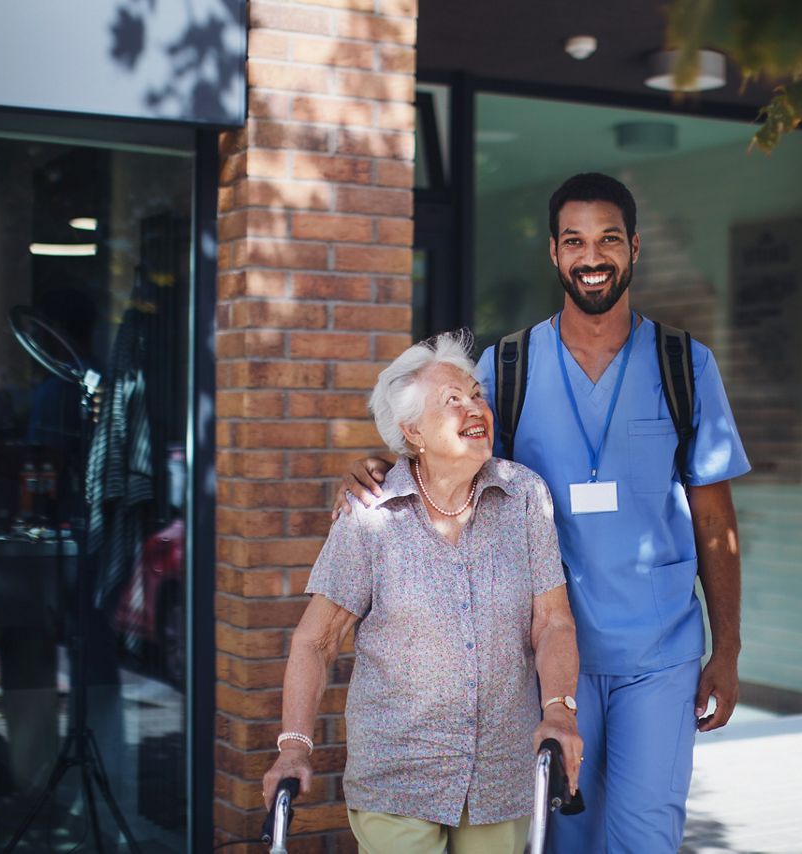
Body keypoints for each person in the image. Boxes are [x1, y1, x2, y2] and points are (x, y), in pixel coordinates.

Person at [337, 173, 750, 852]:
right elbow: (451, 452)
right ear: (554, 255)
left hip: (659, 653)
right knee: (562, 835)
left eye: (608, 239)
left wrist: (727, 648)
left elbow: (716, 523)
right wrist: (376, 470)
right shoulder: (512, 365)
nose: (593, 256)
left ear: (635, 248)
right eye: (575, 241)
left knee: (646, 837)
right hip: (549, 657)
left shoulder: (685, 365)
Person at [266, 331, 582, 854]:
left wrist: (559, 711)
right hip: (398, 778)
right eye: (451, 401)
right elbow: (316, 642)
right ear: (412, 430)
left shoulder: (525, 495)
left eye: (476, 395)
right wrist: (294, 746)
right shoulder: (369, 515)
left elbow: (552, 621)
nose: (473, 407)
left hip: (500, 778)